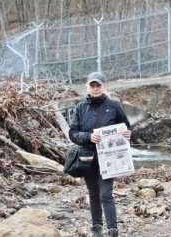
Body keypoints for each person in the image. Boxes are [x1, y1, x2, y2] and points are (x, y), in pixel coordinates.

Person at [69, 71, 131, 237]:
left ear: (104, 87)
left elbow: (126, 127)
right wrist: (89, 136)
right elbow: (73, 133)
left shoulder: (114, 105)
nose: (95, 89)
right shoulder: (80, 107)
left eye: (98, 85)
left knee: (106, 194)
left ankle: (113, 230)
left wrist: (128, 134)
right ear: (87, 87)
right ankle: (97, 229)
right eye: (92, 85)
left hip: (109, 156)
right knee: (93, 194)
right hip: (88, 157)